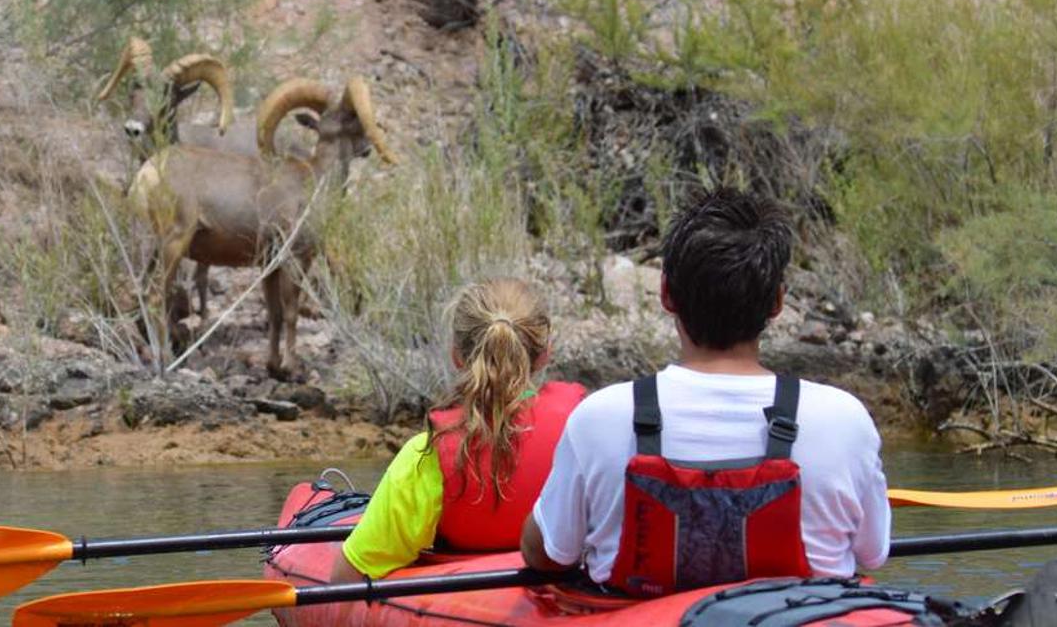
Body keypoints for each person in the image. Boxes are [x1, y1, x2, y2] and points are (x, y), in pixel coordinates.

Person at [520, 187, 890, 595]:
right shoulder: (845, 420)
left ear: (666, 294)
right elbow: (872, 553)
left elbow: (548, 555)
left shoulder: (598, 417)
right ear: (777, 302)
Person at [333, 279, 587, 580]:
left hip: (463, 596)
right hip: (571, 595)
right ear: (545, 354)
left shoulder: (425, 455)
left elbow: (346, 578)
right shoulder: (584, 430)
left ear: (457, 356)